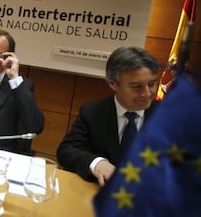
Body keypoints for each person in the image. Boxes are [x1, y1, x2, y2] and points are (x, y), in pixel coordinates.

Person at [56, 46, 160, 186]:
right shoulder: (92, 112)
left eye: (152, 84)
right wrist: (97, 163)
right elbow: (66, 151)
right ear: (113, 83)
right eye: (137, 86)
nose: (147, 93)